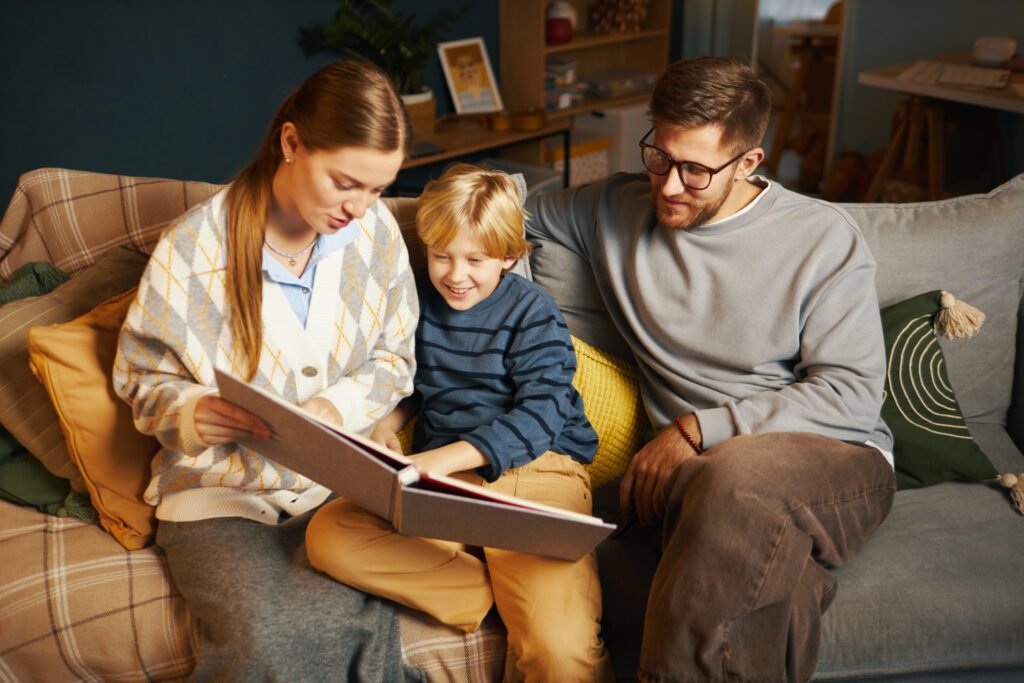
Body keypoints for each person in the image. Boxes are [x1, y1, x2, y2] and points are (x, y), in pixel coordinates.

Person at [525, 56, 898, 682]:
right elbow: (506, 211)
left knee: (732, 476)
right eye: (660, 157)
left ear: (749, 162)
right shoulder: (612, 210)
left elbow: (852, 395)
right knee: (770, 572)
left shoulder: (821, 239)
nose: (669, 186)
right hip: (695, 489)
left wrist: (699, 429)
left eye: (696, 171)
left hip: (837, 460)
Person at [113, 60, 424, 681]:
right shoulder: (194, 249)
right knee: (263, 646)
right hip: (217, 497)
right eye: (346, 182)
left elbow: (396, 358)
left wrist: (330, 414)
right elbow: (144, 381)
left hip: (335, 486)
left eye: (379, 189)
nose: (361, 208)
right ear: (291, 143)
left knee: (351, 633)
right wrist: (195, 413)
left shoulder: (377, 236)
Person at [306, 163, 614, 683]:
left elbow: (542, 413)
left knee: (560, 654)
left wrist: (436, 461)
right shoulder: (418, 305)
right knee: (329, 534)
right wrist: (389, 419)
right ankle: (485, 587)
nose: (456, 274)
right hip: (448, 486)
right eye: (442, 255)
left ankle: (523, 586)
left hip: (537, 474)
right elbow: (417, 384)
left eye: (476, 259)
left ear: (510, 257)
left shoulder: (533, 312)